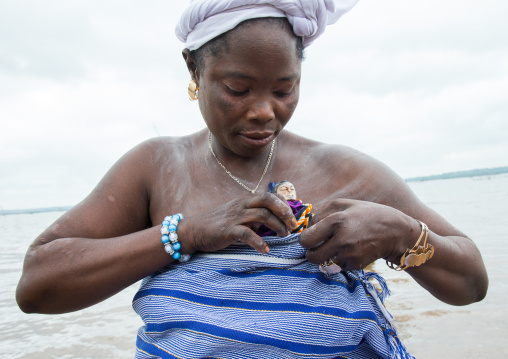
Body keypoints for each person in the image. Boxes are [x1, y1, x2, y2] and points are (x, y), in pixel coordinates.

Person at [16, 1, 488, 358]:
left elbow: (470, 282)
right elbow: (39, 284)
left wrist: (401, 234)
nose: (264, 112)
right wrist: (187, 234)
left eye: (285, 90)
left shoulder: (346, 172)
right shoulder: (157, 167)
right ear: (194, 69)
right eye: (237, 89)